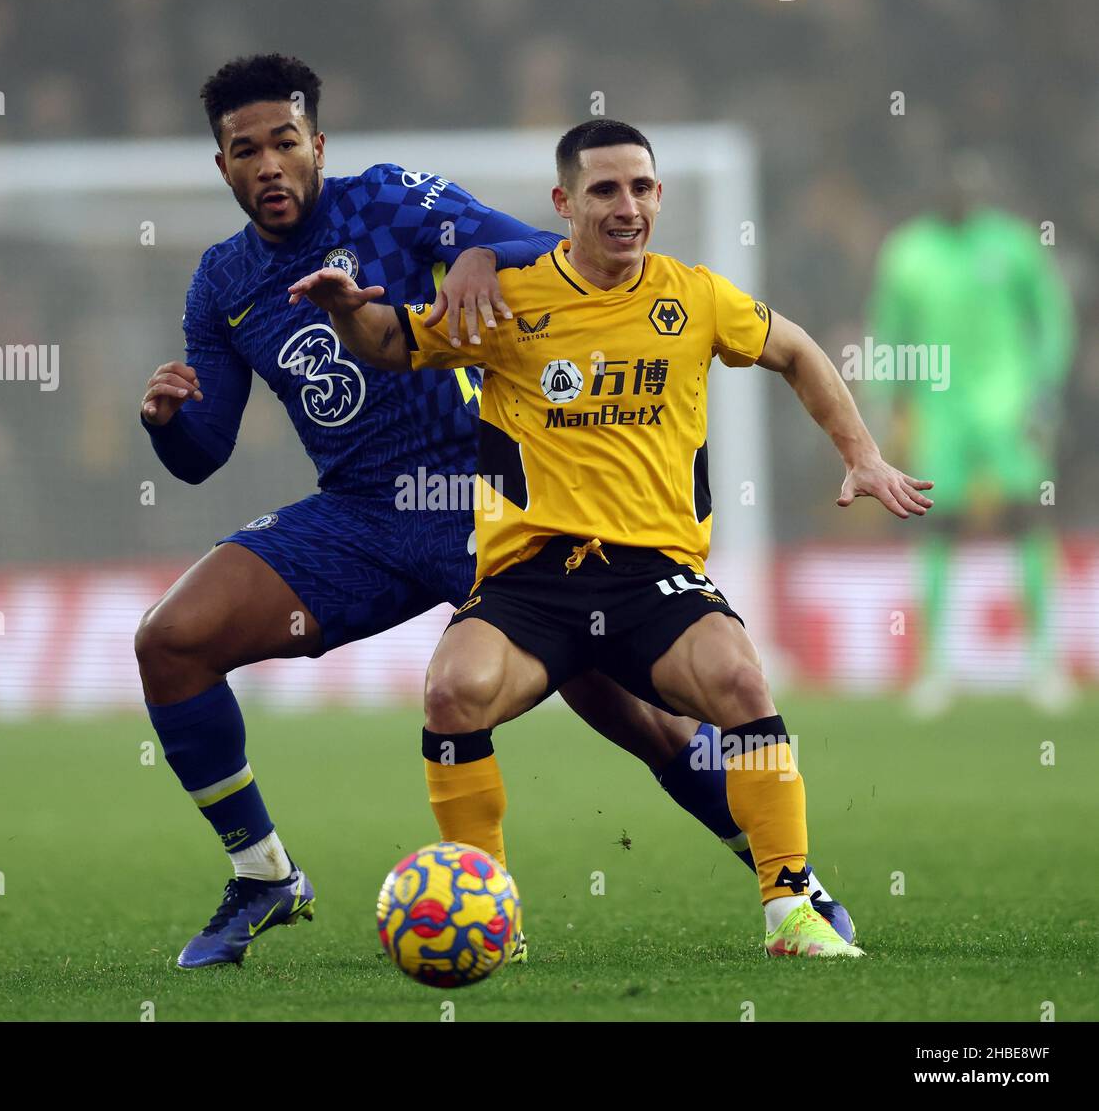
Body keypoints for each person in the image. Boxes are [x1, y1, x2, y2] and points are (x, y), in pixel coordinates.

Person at [291, 118, 933, 957]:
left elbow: (798, 351)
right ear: (564, 203)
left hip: (653, 575)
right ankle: (492, 921)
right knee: (452, 694)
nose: (626, 206)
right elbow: (391, 342)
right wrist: (347, 314)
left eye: (641, 188)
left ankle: (790, 909)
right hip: (532, 579)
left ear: (660, 197)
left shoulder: (696, 296)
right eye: (604, 190)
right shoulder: (507, 299)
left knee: (740, 679)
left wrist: (863, 456)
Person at [868, 155, 1076, 716]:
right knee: (937, 526)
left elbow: (1052, 319)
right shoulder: (908, 252)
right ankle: (935, 668)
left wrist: (1044, 391)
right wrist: (887, 408)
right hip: (941, 412)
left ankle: (1044, 663)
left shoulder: (1011, 244)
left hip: (1009, 408)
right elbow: (889, 333)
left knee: (1027, 519)